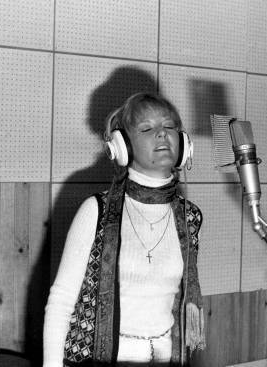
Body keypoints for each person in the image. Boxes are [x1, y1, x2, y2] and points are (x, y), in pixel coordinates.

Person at [43, 92, 205, 367]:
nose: (162, 135)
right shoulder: (96, 210)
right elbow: (61, 301)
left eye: (169, 127)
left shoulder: (190, 216)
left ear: (184, 143)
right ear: (122, 146)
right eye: (147, 128)